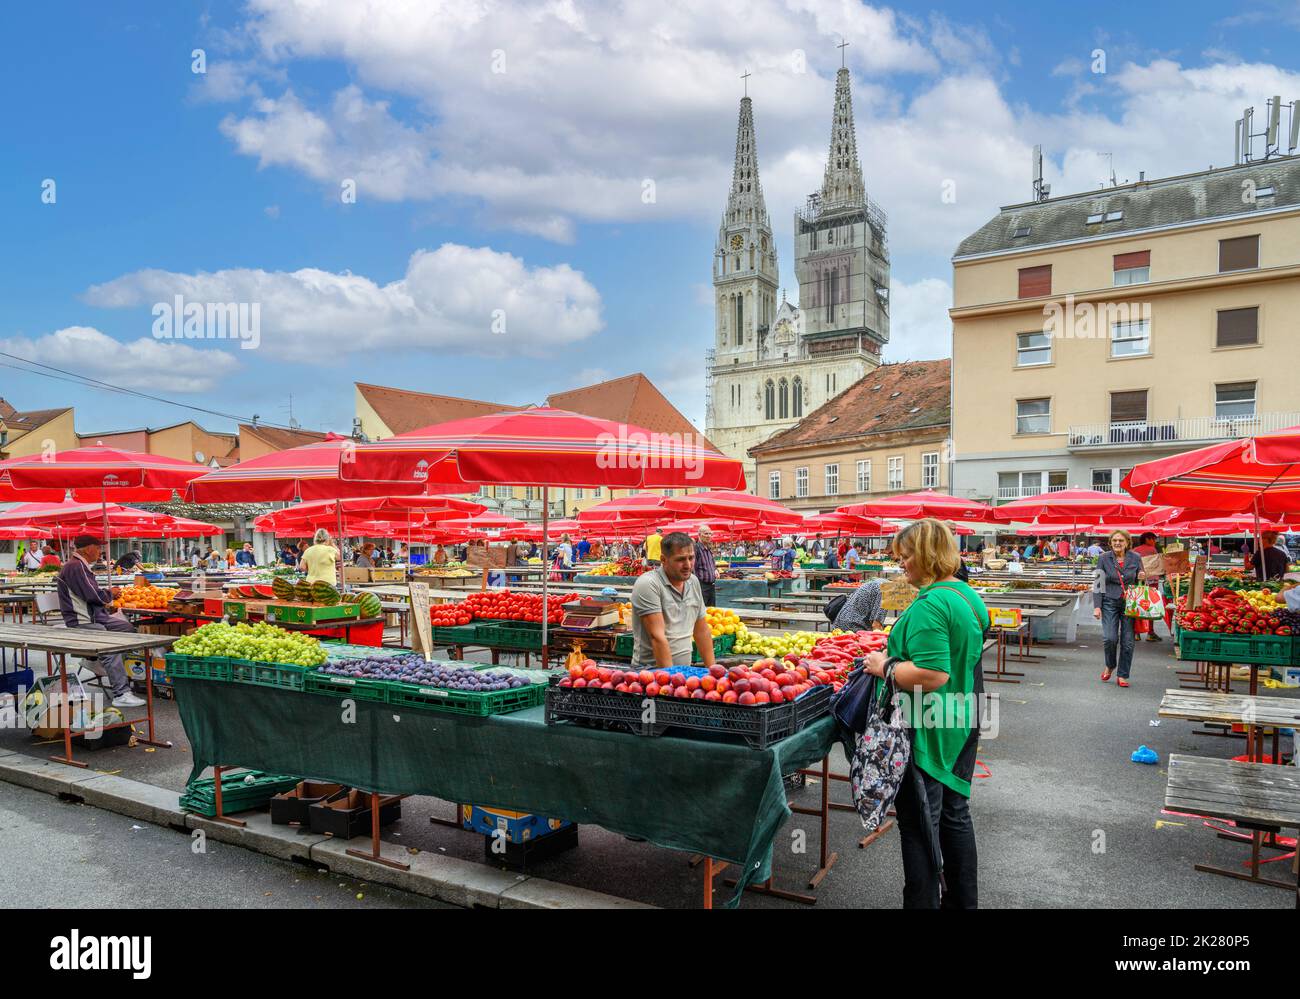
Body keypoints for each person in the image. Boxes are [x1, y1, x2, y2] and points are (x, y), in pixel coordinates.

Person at [862, 519, 986, 909]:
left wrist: (884, 665)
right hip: (961, 718)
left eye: (907, 555)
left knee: (917, 827)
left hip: (927, 726)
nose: (901, 563)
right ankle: (963, 903)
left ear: (929, 555)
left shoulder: (931, 604)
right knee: (954, 816)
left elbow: (932, 674)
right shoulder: (966, 595)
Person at [56, 535, 145, 709]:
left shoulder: (80, 566)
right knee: (110, 645)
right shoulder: (75, 567)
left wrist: (105, 604)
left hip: (95, 616)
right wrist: (110, 594)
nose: (100, 552)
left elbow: (91, 595)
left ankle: (100, 663)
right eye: (98, 548)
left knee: (128, 629)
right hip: (81, 622)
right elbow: (92, 595)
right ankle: (121, 692)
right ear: (88, 548)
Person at [630, 532, 714, 670]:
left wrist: (713, 671)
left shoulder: (693, 582)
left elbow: (701, 631)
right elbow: (657, 637)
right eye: (680, 559)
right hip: (650, 674)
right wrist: (670, 680)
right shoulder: (649, 584)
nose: (688, 565)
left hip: (682, 673)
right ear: (663, 559)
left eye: (691, 558)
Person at [1092, 529, 1146, 687]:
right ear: (1110, 542)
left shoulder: (1136, 557)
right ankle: (1110, 665)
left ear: (1127, 543)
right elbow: (1098, 583)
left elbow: (1141, 579)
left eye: (1121, 541)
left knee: (1128, 641)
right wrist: (1097, 607)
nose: (1117, 543)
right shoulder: (1103, 558)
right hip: (1109, 601)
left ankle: (1123, 675)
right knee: (1110, 638)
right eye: (1115, 540)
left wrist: (1142, 576)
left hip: (1130, 603)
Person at [1130, 532, 1164, 642]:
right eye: (1153, 539)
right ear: (1147, 539)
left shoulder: (1134, 550)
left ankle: (1136, 633)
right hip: (1152, 581)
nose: (1154, 542)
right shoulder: (1152, 550)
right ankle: (1150, 632)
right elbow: (1157, 566)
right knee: (1151, 606)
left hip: (1138, 581)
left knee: (1137, 606)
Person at [693, 526, 718, 607]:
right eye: (706, 533)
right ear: (699, 535)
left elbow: (712, 564)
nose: (708, 536)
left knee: (711, 611)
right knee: (702, 610)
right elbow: (692, 567)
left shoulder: (708, 549)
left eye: (710, 534)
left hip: (711, 585)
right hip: (701, 586)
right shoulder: (696, 548)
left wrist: (715, 570)